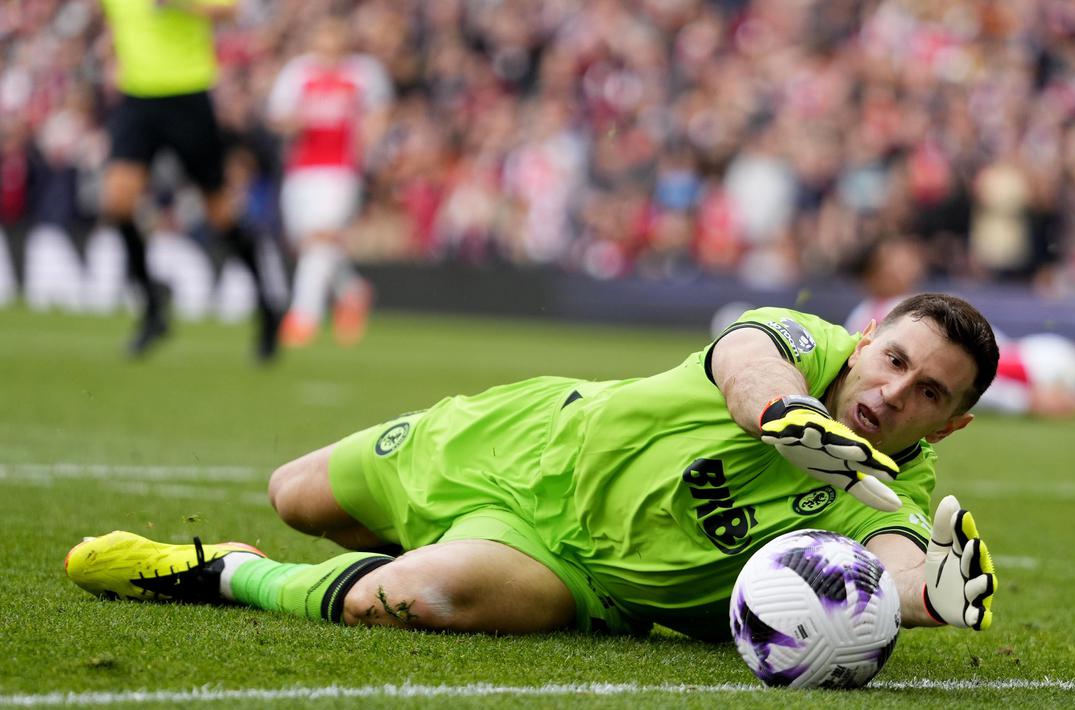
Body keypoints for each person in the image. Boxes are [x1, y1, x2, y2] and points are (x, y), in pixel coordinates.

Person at [66, 293, 999, 640]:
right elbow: (743, 358)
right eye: (895, 360)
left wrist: (932, 598)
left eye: (928, 394)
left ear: (951, 428)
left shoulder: (892, 491)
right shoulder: (805, 339)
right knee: (296, 495)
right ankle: (407, 531)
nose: (894, 391)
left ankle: (222, 571)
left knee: (404, 597)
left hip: (569, 570)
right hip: (520, 438)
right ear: (868, 337)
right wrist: (780, 413)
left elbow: (898, 559)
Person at [98, 0, 282, 359]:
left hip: (187, 95)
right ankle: (152, 308)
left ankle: (267, 306)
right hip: (136, 99)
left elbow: (231, 11)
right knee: (117, 201)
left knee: (220, 213)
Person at [843, 238, 1075, 427]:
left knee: (1074, 361)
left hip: (1015, 360)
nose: (905, 265)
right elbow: (952, 373)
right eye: (893, 261)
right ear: (873, 273)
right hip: (1017, 371)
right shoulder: (889, 312)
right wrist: (1026, 402)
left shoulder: (873, 312)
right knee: (1070, 361)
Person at [267, 17, 392, 348]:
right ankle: (352, 291)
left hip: (340, 170)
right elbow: (278, 118)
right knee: (308, 243)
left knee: (320, 239)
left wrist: (370, 138)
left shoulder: (363, 73)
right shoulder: (298, 73)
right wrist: (297, 121)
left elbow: (379, 115)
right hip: (301, 170)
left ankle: (302, 317)